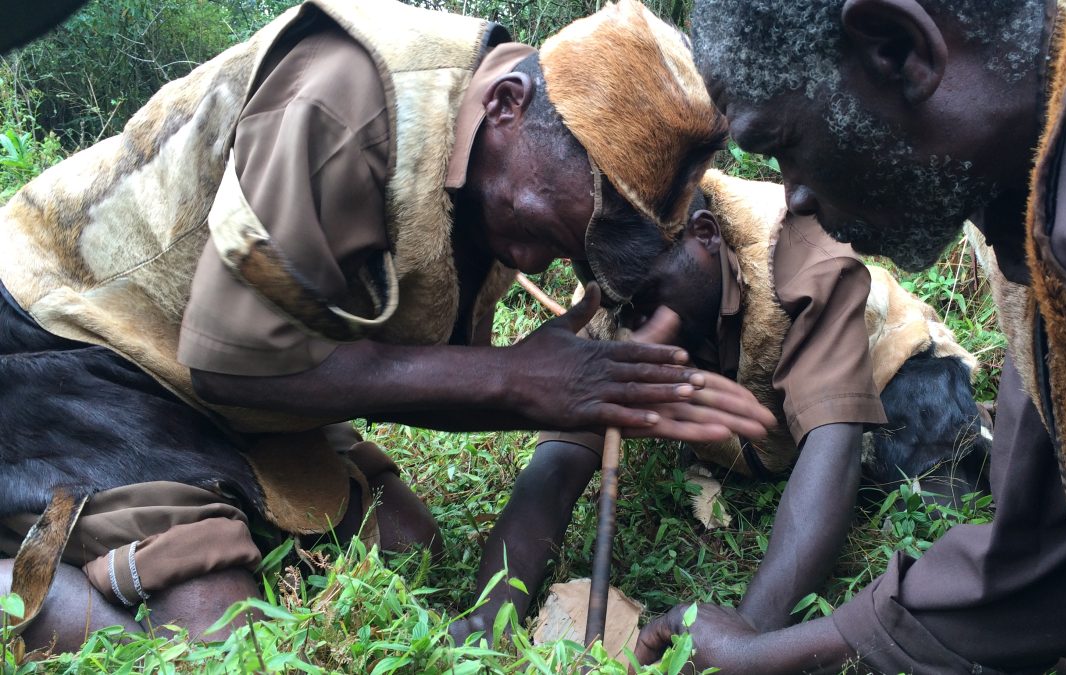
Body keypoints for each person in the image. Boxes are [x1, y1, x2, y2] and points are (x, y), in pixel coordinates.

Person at [0, 0, 776, 651]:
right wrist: (512, 375)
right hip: (72, 342)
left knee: (412, 546)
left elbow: (409, 377)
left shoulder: (500, 178)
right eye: (549, 230)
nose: (539, 264)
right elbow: (227, 361)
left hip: (242, 379)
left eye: (569, 251)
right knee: (216, 625)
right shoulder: (342, 95)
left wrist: (555, 393)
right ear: (509, 105)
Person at [634, 0, 1066, 672]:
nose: (795, 196)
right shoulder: (1028, 204)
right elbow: (1045, 561)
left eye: (785, 146)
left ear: (898, 50)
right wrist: (761, 655)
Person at [457, 170, 888, 641]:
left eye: (648, 296)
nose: (640, 324)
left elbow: (834, 443)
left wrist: (748, 636)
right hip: (753, 440)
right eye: (624, 307)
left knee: (911, 455)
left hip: (893, 368)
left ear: (704, 235)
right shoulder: (610, 301)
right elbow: (557, 467)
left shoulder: (804, 256)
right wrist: (486, 620)